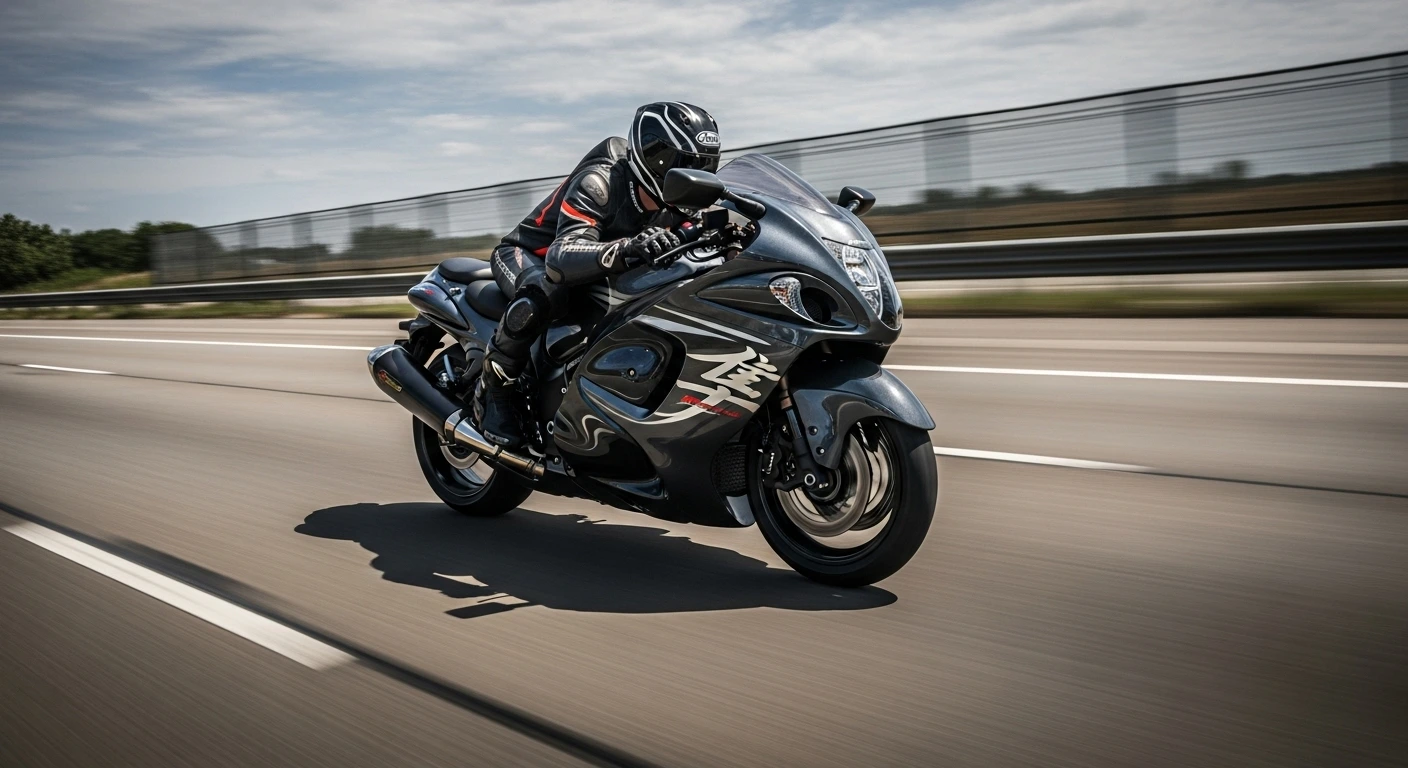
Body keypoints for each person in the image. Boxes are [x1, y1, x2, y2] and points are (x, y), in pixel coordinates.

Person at [474, 102, 723, 448]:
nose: (694, 178)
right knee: (545, 293)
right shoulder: (600, 182)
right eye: (686, 165)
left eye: (704, 166)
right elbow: (561, 257)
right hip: (529, 254)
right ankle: (493, 389)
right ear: (656, 158)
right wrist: (628, 247)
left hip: (596, 268)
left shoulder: (680, 204)